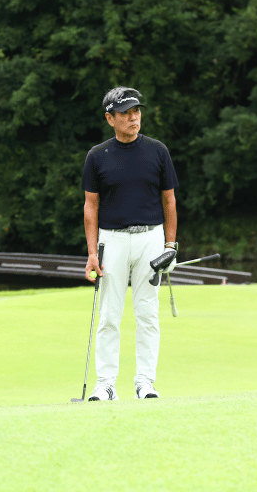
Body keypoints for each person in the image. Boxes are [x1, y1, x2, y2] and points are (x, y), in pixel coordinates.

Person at [81, 86, 179, 401]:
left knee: (148, 313)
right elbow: (91, 206)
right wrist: (92, 253)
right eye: (125, 113)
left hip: (151, 239)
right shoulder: (97, 156)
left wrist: (171, 246)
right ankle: (106, 385)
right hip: (112, 241)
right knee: (109, 315)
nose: (133, 118)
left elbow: (169, 200)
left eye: (136, 111)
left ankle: (145, 383)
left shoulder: (157, 151)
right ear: (110, 118)